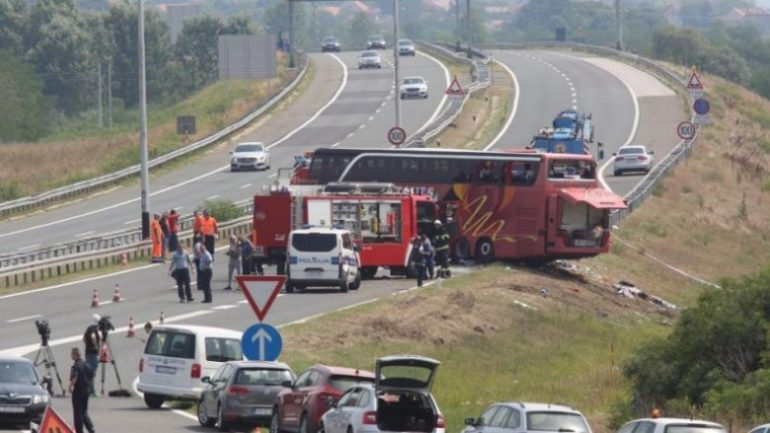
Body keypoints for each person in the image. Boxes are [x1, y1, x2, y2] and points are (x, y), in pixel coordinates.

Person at [69, 347, 95, 433]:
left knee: (77, 413)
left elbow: (75, 377)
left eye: (72, 354)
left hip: (78, 390)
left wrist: (70, 386)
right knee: (84, 412)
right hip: (86, 390)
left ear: (75, 354)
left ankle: (79, 431)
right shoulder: (87, 365)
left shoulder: (76, 366)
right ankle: (91, 429)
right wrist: (90, 388)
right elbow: (92, 378)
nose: (71, 355)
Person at [82, 316, 100, 397]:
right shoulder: (93, 328)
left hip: (88, 352)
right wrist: (96, 346)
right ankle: (91, 390)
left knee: (89, 371)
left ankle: (89, 389)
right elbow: (93, 337)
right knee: (91, 372)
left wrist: (87, 345)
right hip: (92, 353)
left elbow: (84, 339)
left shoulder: (88, 328)